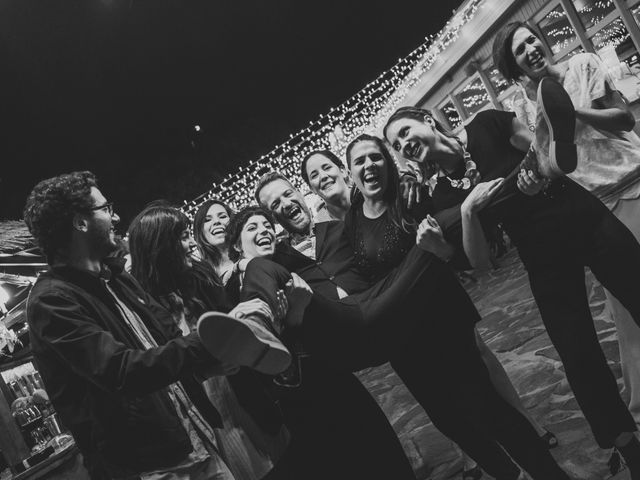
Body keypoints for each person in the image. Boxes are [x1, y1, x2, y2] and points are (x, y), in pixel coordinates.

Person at [252, 171, 571, 480]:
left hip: (417, 322)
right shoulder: (280, 262)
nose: (284, 203)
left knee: (486, 404)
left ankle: (549, 473)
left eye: (286, 194)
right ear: (271, 218)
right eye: (274, 204)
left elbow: (389, 230)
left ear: (299, 194)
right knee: (449, 422)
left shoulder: (343, 228)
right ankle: (510, 474)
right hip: (385, 344)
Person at [384, 103, 640, 478]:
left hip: (581, 217)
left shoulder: (488, 124)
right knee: (576, 353)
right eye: (396, 144)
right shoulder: (439, 196)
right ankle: (629, 449)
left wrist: (539, 173)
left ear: (427, 121)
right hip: (542, 254)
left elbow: (544, 146)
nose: (404, 144)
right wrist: (469, 210)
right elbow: (480, 262)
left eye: (405, 132)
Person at [23, 171, 275, 479]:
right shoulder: (51, 302)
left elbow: (169, 340)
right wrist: (213, 338)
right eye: (105, 208)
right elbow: (123, 370)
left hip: (195, 439)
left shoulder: (117, 278)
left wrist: (222, 351)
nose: (115, 217)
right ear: (80, 222)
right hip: (147, 467)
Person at [494, 21, 640, 436]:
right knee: (628, 316)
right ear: (514, 66)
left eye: (532, 40)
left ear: (543, 41)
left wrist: (567, 109)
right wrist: (532, 180)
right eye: (520, 50)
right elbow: (550, 166)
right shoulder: (523, 112)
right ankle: (638, 410)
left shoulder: (583, 65)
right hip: (594, 210)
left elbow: (624, 118)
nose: (531, 50)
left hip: (632, 181)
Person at [221, 204, 418, 480]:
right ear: (237, 247)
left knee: (381, 455)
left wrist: (298, 313)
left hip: (329, 375)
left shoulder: (286, 270)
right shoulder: (230, 290)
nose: (263, 230)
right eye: (252, 228)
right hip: (294, 400)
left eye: (267, 226)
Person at [128, 204, 290, 480]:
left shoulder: (201, 276)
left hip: (247, 394)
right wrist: (205, 371)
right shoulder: (143, 306)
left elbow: (234, 327)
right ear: (160, 247)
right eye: (181, 237)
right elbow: (161, 371)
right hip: (209, 415)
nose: (191, 242)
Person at [193, 199, 235, 280]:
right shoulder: (200, 276)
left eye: (222, 216)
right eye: (207, 220)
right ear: (200, 231)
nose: (216, 221)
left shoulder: (251, 256)